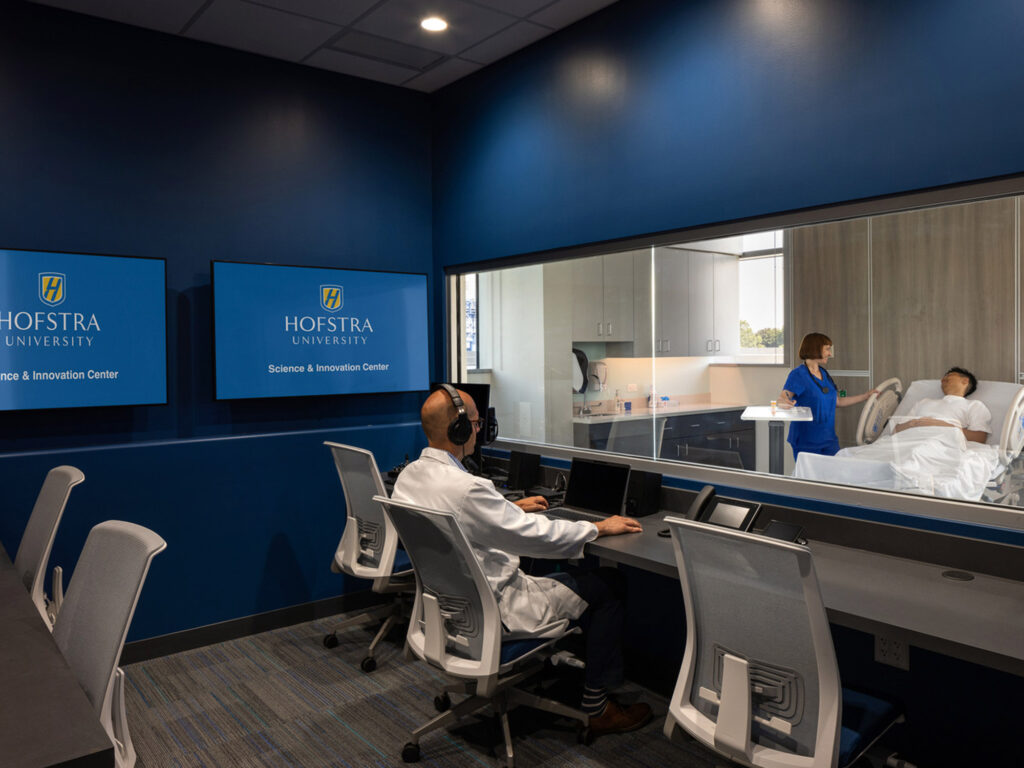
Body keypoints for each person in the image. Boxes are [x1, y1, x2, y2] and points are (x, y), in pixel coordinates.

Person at [393, 385, 652, 736]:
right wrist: (597, 528)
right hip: (498, 613)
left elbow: (457, 516)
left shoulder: (410, 478)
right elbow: (536, 537)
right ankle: (598, 707)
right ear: (459, 429)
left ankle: (562, 669)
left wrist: (508, 508)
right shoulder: (468, 489)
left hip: (448, 615)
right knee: (609, 585)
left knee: (562, 577)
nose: (479, 428)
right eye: (475, 422)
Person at [779, 332, 878, 458]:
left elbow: (838, 402)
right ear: (815, 348)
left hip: (829, 440)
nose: (830, 354)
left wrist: (865, 396)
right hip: (807, 441)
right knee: (810, 477)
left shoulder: (824, 374)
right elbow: (783, 396)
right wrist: (783, 401)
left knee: (833, 475)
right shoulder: (798, 375)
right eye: (827, 349)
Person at [892, 366, 990, 442]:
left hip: (942, 446)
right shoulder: (924, 402)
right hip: (908, 443)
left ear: (965, 380)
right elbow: (895, 431)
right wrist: (913, 423)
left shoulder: (974, 405)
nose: (942, 379)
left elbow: (979, 438)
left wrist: (941, 425)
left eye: (949, 375)